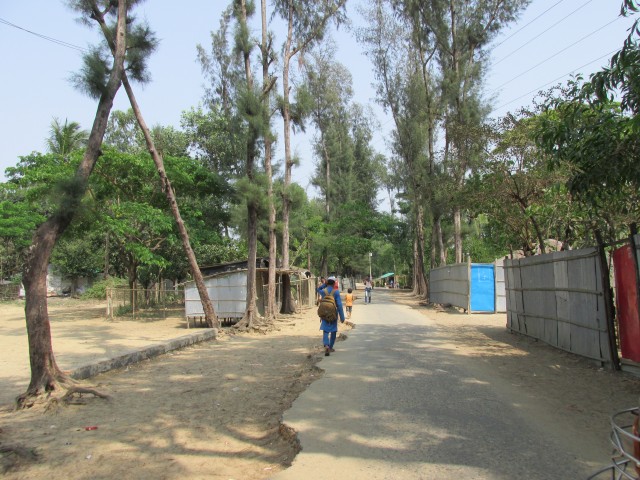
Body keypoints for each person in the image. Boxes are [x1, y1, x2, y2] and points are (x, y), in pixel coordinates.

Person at [317, 276, 345, 356]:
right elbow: (339, 305)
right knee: (333, 330)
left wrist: (324, 285)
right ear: (334, 283)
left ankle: (326, 345)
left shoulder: (323, 291)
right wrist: (342, 317)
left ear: (327, 283)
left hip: (324, 313)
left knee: (325, 330)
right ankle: (330, 347)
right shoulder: (336, 292)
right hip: (333, 313)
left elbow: (318, 289)